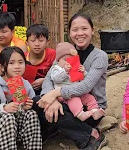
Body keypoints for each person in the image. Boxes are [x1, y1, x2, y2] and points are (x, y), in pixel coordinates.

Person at [34, 13, 109, 149]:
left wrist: (56, 93)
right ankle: (55, 128)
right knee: (36, 101)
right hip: (65, 101)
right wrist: (50, 97)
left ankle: (91, 136)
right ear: (70, 33)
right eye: (75, 30)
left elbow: (85, 86)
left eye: (84, 29)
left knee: (58, 109)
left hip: (89, 107)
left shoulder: (100, 56)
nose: (79, 33)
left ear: (92, 30)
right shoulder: (64, 53)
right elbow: (49, 78)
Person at [0, 46, 42, 150]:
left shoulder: (25, 84)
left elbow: (32, 106)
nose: (17, 66)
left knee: (31, 114)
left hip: (15, 132)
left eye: (20, 62)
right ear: (1, 67)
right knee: (8, 117)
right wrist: (3, 109)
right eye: (11, 63)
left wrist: (28, 106)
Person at [49, 42, 105, 121]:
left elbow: (86, 80)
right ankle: (80, 114)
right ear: (58, 60)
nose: (68, 62)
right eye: (65, 60)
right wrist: (65, 71)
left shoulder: (76, 66)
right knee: (74, 101)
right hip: (65, 95)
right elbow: (55, 78)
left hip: (78, 92)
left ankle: (94, 110)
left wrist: (83, 72)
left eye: (70, 59)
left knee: (90, 98)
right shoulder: (56, 68)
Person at [25, 24, 56, 95]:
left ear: (47, 42)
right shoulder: (22, 58)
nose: (37, 44)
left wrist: (45, 81)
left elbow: (62, 75)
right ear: (27, 42)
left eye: (41, 40)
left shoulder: (53, 55)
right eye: (33, 40)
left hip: (50, 92)